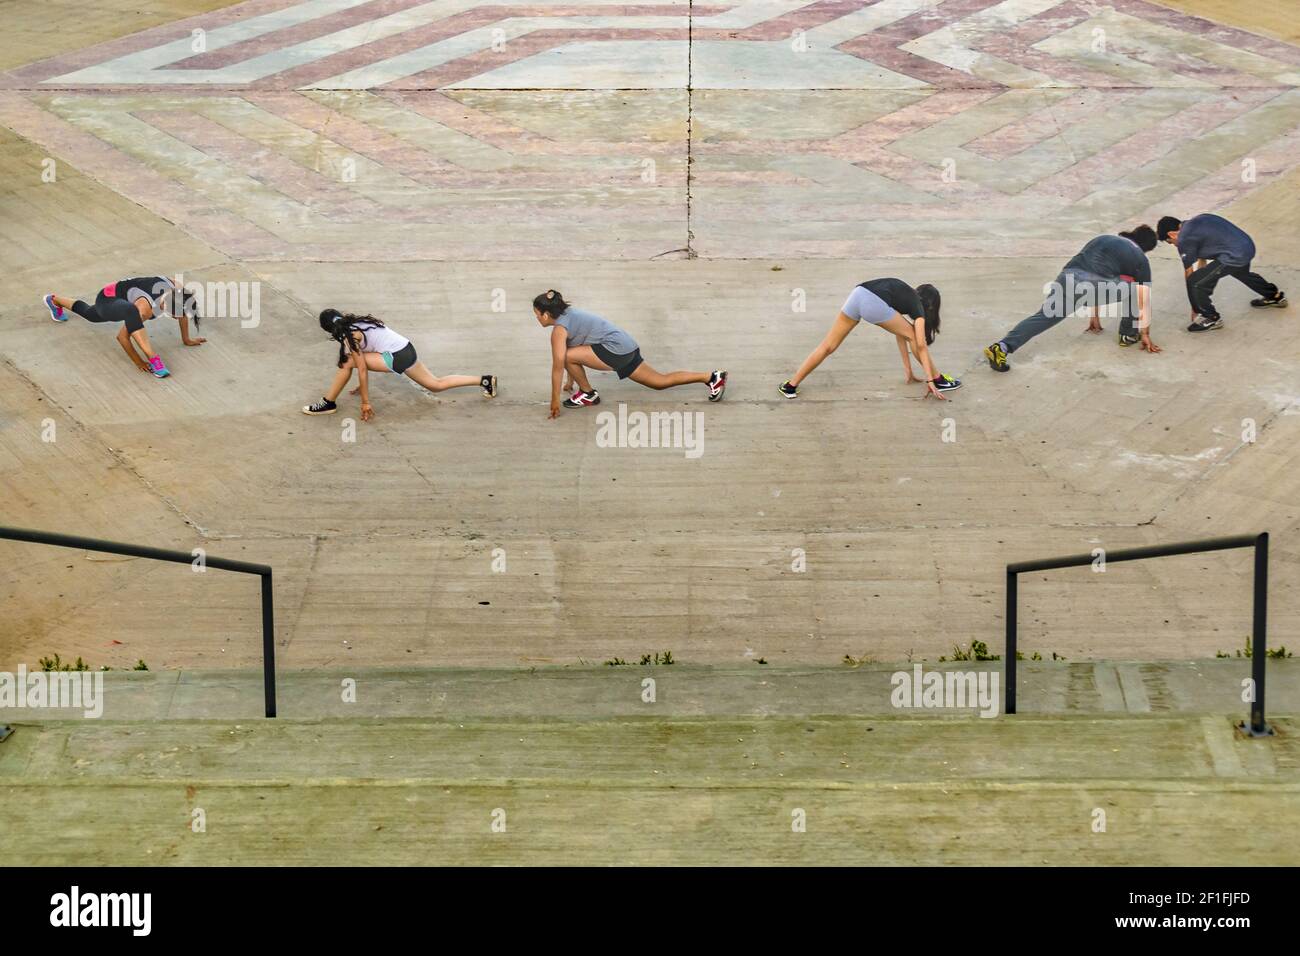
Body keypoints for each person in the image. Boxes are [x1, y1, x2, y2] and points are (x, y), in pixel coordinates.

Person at [984, 227, 1161, 371]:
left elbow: (1095, 268)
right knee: (1136, 289)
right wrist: (1145, 333)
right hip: (1093, 287)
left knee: (1043, 317)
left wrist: (1095, 317)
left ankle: (1002, 347)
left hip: (1066, 279)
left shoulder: (1103, 238)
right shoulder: (1140, 259)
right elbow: (1143, 298)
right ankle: (1127, 335)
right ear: (1147, 248)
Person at [533, 290, 726, 418]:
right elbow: (572, 349)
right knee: (660, 381)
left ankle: (587, 394)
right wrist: (570, 382)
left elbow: (559, 364)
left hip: (615, 349)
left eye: (536, 314)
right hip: (626, 345)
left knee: (565, 356)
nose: (536, 318)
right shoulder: (568, 314)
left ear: (546, 315)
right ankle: (711, 377)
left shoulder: (559, 330)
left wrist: (554, 401)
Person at [778, 278, 959, 400]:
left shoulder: (903, 293)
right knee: (914, 334)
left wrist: (908, 370)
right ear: (930, 305)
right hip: (873, 302)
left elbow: (900, 333)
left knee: (828, 346)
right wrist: (928, 379)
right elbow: (920, 344)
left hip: (858, 294)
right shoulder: (918, 307)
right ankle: (938, 379)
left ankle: (790, 386)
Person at [302, 309, 496, 419]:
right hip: (406, 348)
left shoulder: (349, 336)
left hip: (396, 357)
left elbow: (361, 368)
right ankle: (485, 380)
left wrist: (366, 402)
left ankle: (328, 403)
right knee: (435, 384)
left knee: (347, 362)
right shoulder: (359, 322)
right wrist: (362, 386)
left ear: (328, 329)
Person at [43, 275, 201, 378]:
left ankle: (54, 299)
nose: (179, 317)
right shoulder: (145, 309)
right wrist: (139, 362)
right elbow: (122, 337)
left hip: (121, 292)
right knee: (130, 312)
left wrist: (186, 339)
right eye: (176, 314)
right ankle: (154, 360)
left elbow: (182, 312)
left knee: (90, 314)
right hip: (108, 298)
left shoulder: (177, 289)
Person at [1156, 214, 1286, 332]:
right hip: (1246, 246)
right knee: (1241, 273)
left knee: (1194, 283)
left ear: (1172, 234)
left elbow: (1190, 274)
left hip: (1234, 256)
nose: (1174, 245)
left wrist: (1195, 308)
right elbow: (1202, 262)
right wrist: (1203, 279)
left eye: (1170, 242)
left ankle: (1211, 318)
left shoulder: (1184, 238)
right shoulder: (1197, 222)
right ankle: (1274, 296)